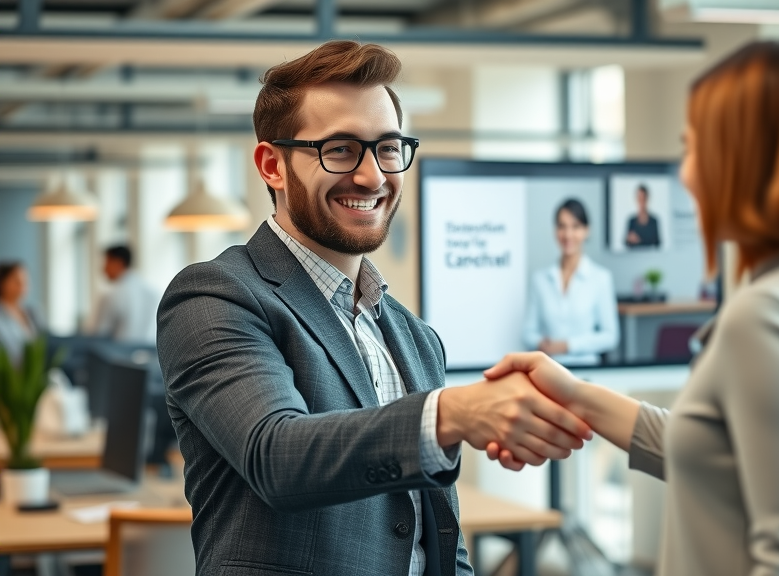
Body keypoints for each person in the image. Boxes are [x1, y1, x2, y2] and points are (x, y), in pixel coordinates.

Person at [156, 41, 591, 576]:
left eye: (387, 148)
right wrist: (451, 414)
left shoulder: (413, 335)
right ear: (272, 164)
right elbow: (277, 456)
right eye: (339, 150)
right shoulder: (215, 296)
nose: (372, 176)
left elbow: (437, 539)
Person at [486, 37, 779, 575]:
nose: (685, 175)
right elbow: (723, 455)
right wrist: (578, 395)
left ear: (748, 160)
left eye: (694, 149)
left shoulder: (771, 317)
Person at [522, 199, 619, 366]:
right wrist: (541, 343)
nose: (568, 235)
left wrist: (567, 346)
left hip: (587, 374)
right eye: (562, 226)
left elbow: (610, 337)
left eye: (575, 227)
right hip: (548, 372)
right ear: (555, 230)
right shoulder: (540, 279)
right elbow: (527, 333)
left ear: (586, 231)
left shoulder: (601, 278)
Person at [88, 245, 159, 343]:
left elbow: (96, 334)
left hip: (115, 356)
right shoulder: (154, 293)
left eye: (106, 262)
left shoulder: (110, 295)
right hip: (151, 355)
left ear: (118, 263)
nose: (103, 269)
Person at [0, 261, 41, 365]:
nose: (22, 285)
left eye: (25, 281)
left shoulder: (31, 312)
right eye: (17, 281)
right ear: (3, 282)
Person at [624, 184, 661, 248]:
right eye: (639, 198)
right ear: (636, 199)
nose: (641, 201)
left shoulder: (654, 221)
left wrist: (639, 241)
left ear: (647, 199)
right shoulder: (631, 221)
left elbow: (658, 244)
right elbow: (626, 243)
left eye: (643, 198)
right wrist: (629, 239)